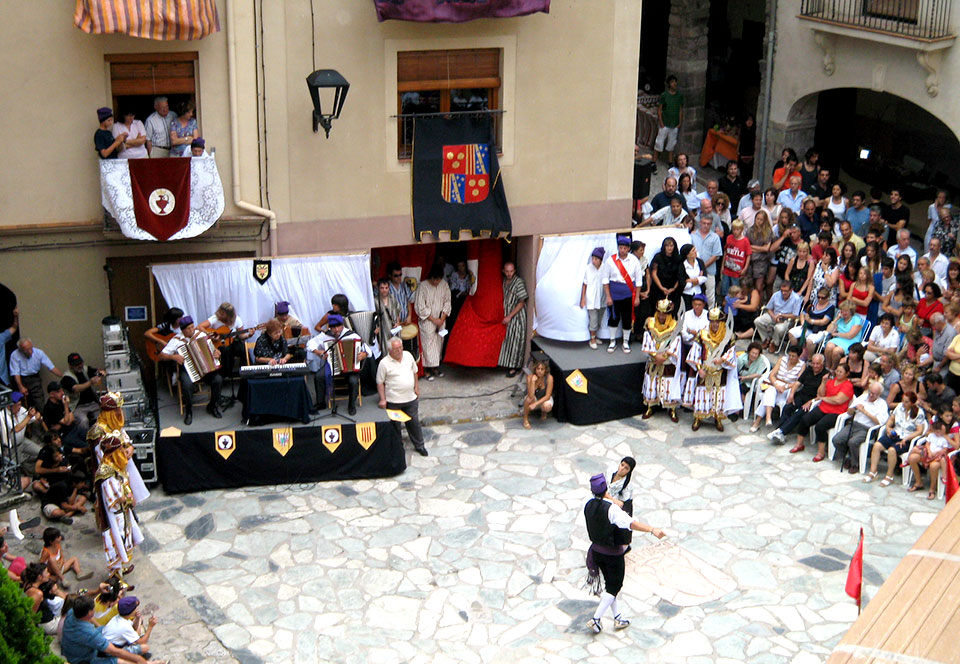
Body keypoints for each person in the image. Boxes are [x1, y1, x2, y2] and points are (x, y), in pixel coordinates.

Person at [583, 473, 666, 634]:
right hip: (612, 555)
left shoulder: (587, 503)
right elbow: (630, 523)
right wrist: (652, 529)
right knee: (615, 586)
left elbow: (603, 501)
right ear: (606, 489)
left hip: (596, 551)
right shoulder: (612, 510)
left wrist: (606, 496)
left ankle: (618, 617)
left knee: (610, 585)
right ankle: (596, 619)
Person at [157, 316, 223, 425]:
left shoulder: (201, 335)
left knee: (218, 380)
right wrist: (173, 357)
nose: (192, 330)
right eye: (189, 328)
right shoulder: (176, 340)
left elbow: (212, 349)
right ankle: (189, 411)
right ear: (182, 330)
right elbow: (160, 356)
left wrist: (216, 352)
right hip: (187, 370)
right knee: (187, 385)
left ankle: (212, 406)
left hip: (205, 369)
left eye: (193, 327)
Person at [95, 432, 143, 581]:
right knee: (116, 543)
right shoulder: (106, 474)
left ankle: (121, 568)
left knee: (124, 540)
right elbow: (114, 499)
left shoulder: (115, 468)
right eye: (119, 451)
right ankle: (116, 579)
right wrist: (128, 498)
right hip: (114, 516)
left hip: (123, 512)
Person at [61, 595, 159, 664]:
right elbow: (114, 651)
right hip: (83, 659)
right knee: (117, 661)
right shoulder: (90, 633)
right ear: (89, 613)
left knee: (102, 629)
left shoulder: (72, 612)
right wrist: (138, 659)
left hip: (72, 650)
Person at [686, 308, 739, 431]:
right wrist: (699, 369)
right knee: (702, 394)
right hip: (705, 370)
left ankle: (717, 418)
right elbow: (695, 351)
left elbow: (731, 352)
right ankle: (698, 417)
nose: (715, 324)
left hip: (720, 371)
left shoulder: (728, 336)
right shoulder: (702, 334)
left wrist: (723, 359)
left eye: (717, 322)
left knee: (719, 395)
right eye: (713, 321)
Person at [791, 361, 854, 461]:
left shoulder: (848, 386)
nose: (838, 373)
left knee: (821, 426)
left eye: (841, 372)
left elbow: (838, 400)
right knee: (805, 419)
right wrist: (823, 382)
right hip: (823, 407)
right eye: (837, 371)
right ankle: (799, 444)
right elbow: (820, 393)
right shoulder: (831, 381)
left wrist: (824, 398)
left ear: (847, 374)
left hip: (836, 412)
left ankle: (821, 452)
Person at [307, 314, 367, 415]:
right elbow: (310, 344)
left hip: (349, 367)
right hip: (332, 364)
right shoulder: (325, 335)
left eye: (338, 326)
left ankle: (351, 405)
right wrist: (318, 352)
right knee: (318, 376)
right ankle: (321, 403)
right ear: (330, 327)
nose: (336, 329)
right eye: (333, 327)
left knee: (353, 381)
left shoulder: (352, 335)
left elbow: (366, 349)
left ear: (342, 325)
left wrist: (364, 354)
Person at [377, 337, 427, 456]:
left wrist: (416, 387)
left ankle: (419, 445)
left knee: (414, 422)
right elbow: (380, 382)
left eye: (400, 347)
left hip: (410, 398)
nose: (399, 351)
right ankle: (397, 447)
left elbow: (414, 372)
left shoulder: (408, 356)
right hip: (394, 401)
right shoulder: (384, 363)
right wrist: (383, 399)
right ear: (390, 350)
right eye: (396, 349)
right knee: (395, 426)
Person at [767, 353, 828, 443]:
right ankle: (780, 431)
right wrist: (791, 395)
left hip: (813, 400)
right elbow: (797, 383)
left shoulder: (825, 375)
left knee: (800, 413)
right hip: (802, 395)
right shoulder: (809, 369)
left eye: (817, 364)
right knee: (788, 407)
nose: (815, 366)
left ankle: (780, 431)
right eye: (813, 363)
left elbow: (822, 395)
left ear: (822, 363)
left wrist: (810, 402)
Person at [831, 381, 889, 473]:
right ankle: (849, 456)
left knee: (853, 442)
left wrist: (864, 411)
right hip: (853, 424)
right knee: (837, 439)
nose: (870, 395)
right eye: (870, 392)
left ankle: (855, 464)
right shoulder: (863, 397)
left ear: (879, 394)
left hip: (866, 428)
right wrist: (854, 409)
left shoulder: (882, 404)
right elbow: (849, 412)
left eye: (874, 394)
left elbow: (880, 422)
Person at [641, 300, 683, 422]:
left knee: (669, 384)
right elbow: (647, 339)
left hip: (667, 362)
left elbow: (676, 343)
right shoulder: (650, 324)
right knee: (651, 383)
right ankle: (650, 406)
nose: (661, 316)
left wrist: (664, 356)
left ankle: (672, 409)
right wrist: (655, 355)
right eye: (659, 313)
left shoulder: (675, 327)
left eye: (664, 314)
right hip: (654, 361)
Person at [751, 345, 805, 432]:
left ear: (798, 356)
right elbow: (772, 375)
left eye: (793, 356)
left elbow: (798, 382)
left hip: (788, 387)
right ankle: (768, 417)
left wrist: (785, 387)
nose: (790, 358)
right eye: (789, 355)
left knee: (767, 396)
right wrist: (776, 385)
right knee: (770, 390)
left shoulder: (802, 365)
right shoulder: (782, 360)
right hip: (776, 383)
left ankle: (758, 422)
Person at [906, 415, 956, 500]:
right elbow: (927, 443)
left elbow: (945, 449)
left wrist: (937, 453)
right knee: (912, 458)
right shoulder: (932, 433)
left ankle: (932, 489)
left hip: (937, 456)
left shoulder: (945, 438)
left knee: (933, 466)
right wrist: (929, 452)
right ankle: (918, 482)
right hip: (928, 453)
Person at [199, 302, 254, 379]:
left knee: (243, 348)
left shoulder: (237, 320)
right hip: (219, 345)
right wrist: (210, 334)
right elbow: (199, 327)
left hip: (232, 342)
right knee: (225, 350)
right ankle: (224, 376)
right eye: (220, 313)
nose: (220, 315)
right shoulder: (215, 318)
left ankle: (246, 373)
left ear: (229, 315)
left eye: (223, 314)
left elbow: (241, 336)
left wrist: (248, 335)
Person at [415, 265, 452, 380]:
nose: (436, 282)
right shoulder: (423, 286)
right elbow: (420, 306)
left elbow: (447, 302)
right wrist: (433, 319)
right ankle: (427, 369)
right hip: (428, 320)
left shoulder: (444, 285)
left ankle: (435, 367)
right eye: (434, 279)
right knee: (428, 345)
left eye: (438, 280)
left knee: (439, 343)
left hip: (441, 319)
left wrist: (442, 318)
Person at [9, 337, 62, 408]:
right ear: (21, 350)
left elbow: (51, 367)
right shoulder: (15, 355)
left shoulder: (39, 353)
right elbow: (16, 373)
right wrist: (21, 387)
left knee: (40, 401)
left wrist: (63, 376)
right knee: (22, 403)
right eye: (26, 350)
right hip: (21, 379)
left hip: (34, 379)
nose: (30, 351)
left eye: (31, 348)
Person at [61, 352, 105, 433]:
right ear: (70, 366)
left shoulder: (85, 369)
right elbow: (76, 389)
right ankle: (85, 438)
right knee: (83, 420)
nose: (80, 366)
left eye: (80, 363)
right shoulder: (66, 377)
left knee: (103, 415)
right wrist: (91, 382)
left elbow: (98, 372)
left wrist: (100, 374)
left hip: (92, 403)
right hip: (78, 406)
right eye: (76, 364)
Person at [754, 281, 803, 352]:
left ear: (791, 290)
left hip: (787, 319)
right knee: (758, 321)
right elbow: (769, 308)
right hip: (774, 315)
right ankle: (766, 339)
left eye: (786, 291)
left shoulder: (796, 299)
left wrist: (782, 315)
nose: (783, 293)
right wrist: (774, 317)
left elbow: (795, 315)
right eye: (782, 290)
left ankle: (774, 343)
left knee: (779, 328)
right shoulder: (776, 295)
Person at [499, 262, 529, 377]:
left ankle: (514, 367)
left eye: (511, 271)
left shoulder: (518, 282)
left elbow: (522, 302)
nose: (509, 274)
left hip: (517, 316)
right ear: (503, 271)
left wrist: (510, 316)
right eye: (507, 271)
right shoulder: (503, 282)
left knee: (515, 341)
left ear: (514, 271)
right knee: (507, 341)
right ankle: (506, 364)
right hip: (507, 315)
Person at [691, 213, 722, 307]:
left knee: (710, 295)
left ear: (711, 224)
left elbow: (715, 255)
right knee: (694, 293)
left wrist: (702, 267)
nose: (706, 225)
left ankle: (711, 313)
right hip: (693, 270)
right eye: (704, 223)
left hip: (709, 271)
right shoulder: (692, 235)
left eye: (708, 224)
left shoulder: (715, 237)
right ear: (700, 222)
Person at [824, 301, 864, 371]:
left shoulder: (856, 319)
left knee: (836, 351)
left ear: (851, 311)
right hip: (838, 339)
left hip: (851, 341)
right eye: (842, 310)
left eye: (846, 311)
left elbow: (850, 335)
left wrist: (837, 334)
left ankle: (833, 369)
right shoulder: (840, 319)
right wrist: (836, 319)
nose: (843, 313)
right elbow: (828, 331)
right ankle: (827, 368)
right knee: (829, 346)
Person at [653, 75, 683, 164]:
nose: (674, 84)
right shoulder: (664, 95)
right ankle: (654, 161)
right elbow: (659, 109)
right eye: (672, 82)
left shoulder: (679, 96)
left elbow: (680, 109)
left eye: (675, 82)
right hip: (665, 123)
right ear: (669, 84)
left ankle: (670, 162)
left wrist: (680, 122)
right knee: (659, 143)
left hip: (674, 124)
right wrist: (661, 122)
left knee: (671, 144)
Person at [581, 247, 606, 349]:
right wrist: (583, 298)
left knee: (599, 318)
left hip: (602, 298)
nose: (594, 261)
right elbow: (585, 284)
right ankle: (592, 339)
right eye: (593, 259)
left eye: (596, 259)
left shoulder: (605, 268)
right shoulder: (588, 268)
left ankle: (595, 336)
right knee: (593, 319)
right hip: (591, 297)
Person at [720, 220, 752, 297]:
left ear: (741, 230)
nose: (735, 232)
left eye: (737, 230)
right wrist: (722, 265)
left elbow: (748, 255)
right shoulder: (729, 238)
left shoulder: (745, 241)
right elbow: (725, 252)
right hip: (727, 269)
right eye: (734, 229)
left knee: (736, 290)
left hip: (738, 271)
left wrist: (745, 269)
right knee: (724, 288)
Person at [522, 360, 554, 429]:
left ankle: (543, 412)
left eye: (542, 369)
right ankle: (525, 419)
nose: (539, 371)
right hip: (534, 397)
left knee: (547, 406)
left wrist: (535, 404)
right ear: (535, 369)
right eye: (538, 369)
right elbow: (530, 395)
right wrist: (533, 382)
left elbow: (548, 396)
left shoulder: (549, 378)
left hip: (544, 398)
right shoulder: (530, 377)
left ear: (545, 370)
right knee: (529, 399)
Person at [679, 244, 706, 309]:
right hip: (687, 295)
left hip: (699, 292)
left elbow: (704, 277)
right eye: (693, 250)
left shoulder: (699, 262)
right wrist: (697, 280)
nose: (696, 251)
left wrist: (690, 280)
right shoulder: (682, 265)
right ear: (688, 255)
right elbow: (683, 284)